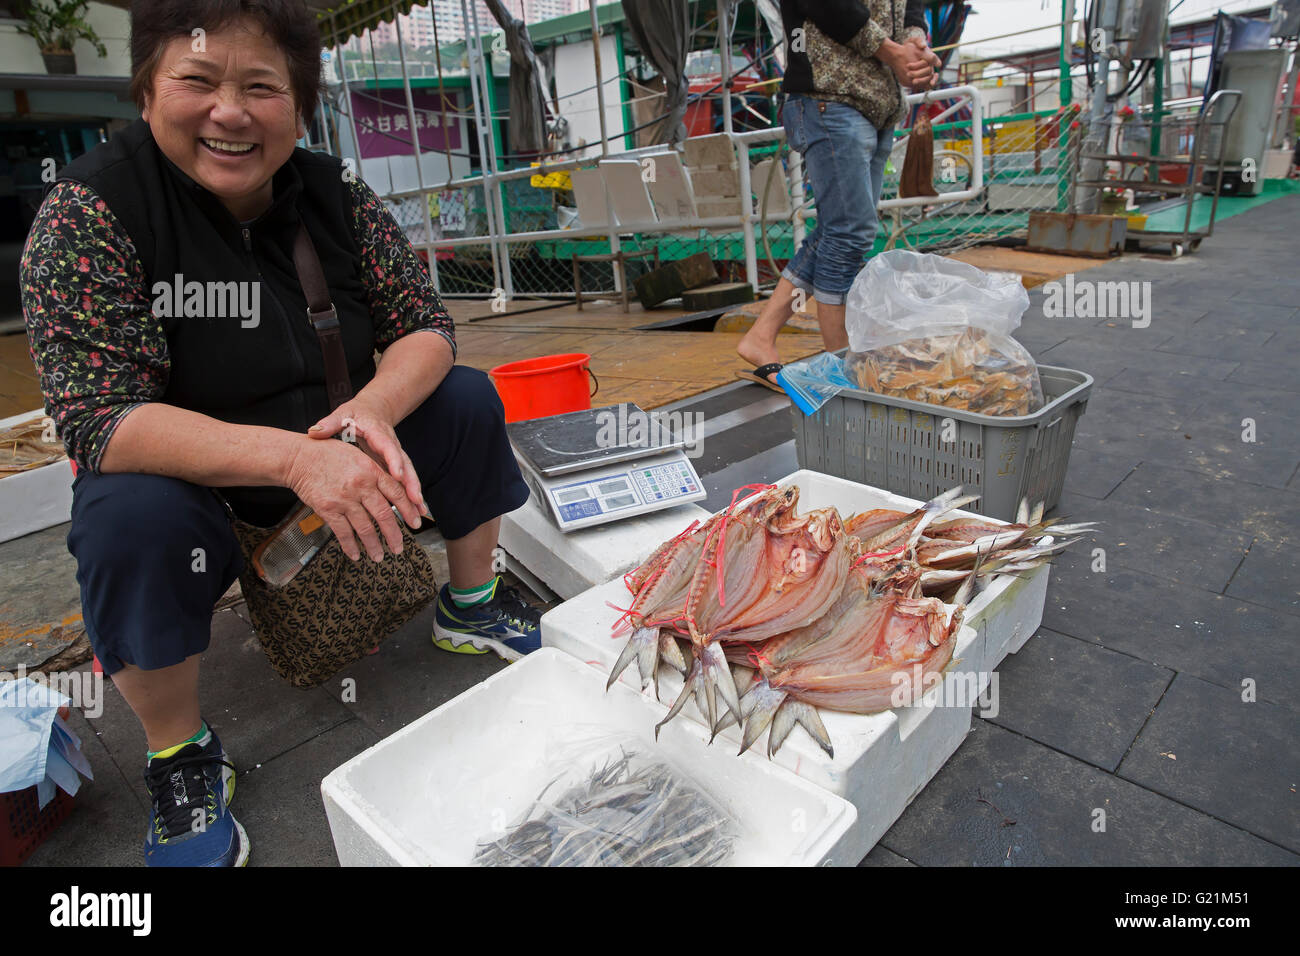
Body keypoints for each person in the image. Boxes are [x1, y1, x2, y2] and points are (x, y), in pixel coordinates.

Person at [20, 0, 540, 867]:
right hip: (203, 488)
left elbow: (426, 324)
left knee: (465, 399)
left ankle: (470, 603)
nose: (230, 112)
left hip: (340, 447)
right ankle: (181, 754)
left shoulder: (334, 192)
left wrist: (369, 412)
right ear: (148, 91)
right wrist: (296, 460)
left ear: (298, 108)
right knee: (125, 519)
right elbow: (97, 417)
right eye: (198, 81)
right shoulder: (88, 215)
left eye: (261, 87)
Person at [738, 0, 941, 389]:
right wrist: (893, 52)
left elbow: (911, 8)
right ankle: (841, 367)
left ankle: (761, 337)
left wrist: (915, 45)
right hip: (830, 95)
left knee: (839, 230)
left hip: (878, 103)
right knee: (849, 233)